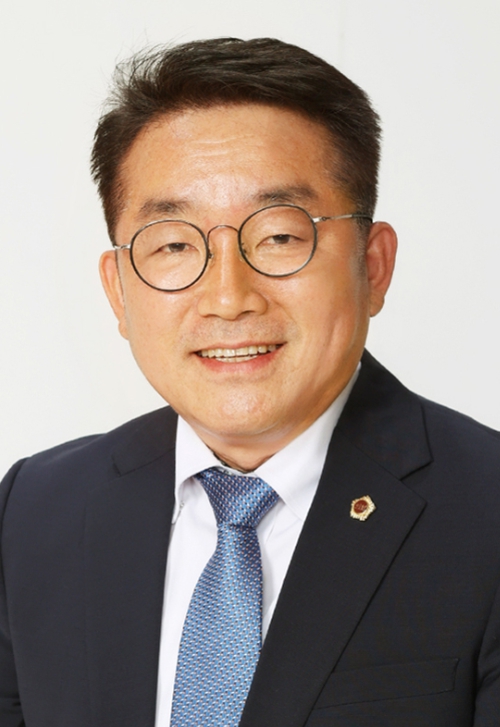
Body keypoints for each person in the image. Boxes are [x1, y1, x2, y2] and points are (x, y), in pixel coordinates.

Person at [0, 37, 499, 727]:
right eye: (175, 244)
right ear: (118, 291)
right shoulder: (33, 512)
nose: (229, 297)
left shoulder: (486, 511)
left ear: (374, 265)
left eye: (280, 237)